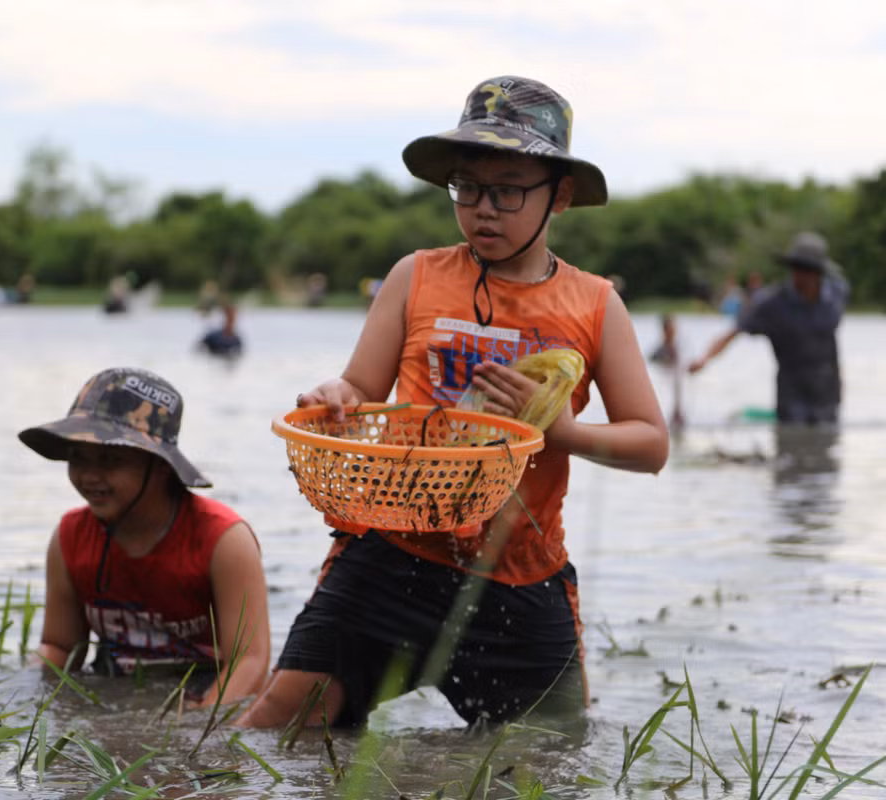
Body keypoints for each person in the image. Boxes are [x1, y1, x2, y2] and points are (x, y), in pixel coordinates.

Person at [238, 76, 669, 730]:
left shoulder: (595, 304)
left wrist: (566, 431)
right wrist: (337, 395)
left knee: (549, 757)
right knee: (278, 727)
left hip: (517, 577)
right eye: (467, 187)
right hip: (394, 555)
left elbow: (652, 444)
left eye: (506, 189)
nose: (483, 209)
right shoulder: (417, 276)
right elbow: (360, 389)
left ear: (561, 194)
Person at [19, 367, 271, 706]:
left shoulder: (222, 539)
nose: (89, 476)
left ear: (161, 466)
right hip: (114, 687)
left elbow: (249, 660)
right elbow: (61, 648)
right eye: (78, 458)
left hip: (201, 687)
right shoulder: (70, 537)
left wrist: (201, 725)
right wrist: (15, 695)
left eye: (110, 459)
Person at [688, 231, 850, 425]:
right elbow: (733, 332)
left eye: (807, 269)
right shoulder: (770, 304)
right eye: (796, 268)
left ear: (818, 272)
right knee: (792, 443)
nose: (800, 275)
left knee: (828, 442)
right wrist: (704, 359)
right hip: (792, 395)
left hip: (828, 391)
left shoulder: (837, 293)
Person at [647, 313, 685, 432]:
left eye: (675, 327)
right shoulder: (659, 351)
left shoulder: (679, 348)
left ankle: (677, 416)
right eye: (671, 327)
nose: (674, 330)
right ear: (665, 330)